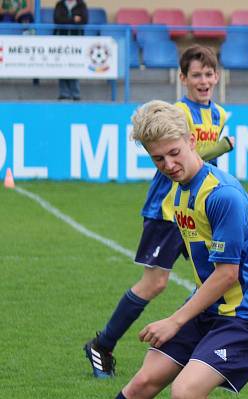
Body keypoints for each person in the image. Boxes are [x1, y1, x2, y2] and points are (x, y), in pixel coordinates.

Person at [47, 100, 248, 399]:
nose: (169, 163)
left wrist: (175, 320)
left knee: (185, 394)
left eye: (175, 152)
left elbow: (227, 274)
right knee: (142, 383)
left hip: (246, 314)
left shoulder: (224, 196)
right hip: (209, 308)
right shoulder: (174, 197)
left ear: (192, 141)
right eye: (158, 159)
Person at [84, 45, 235, 378]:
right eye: (196, 75)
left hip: (201, 209)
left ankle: (205, 349)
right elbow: (177, 158)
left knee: (216, 277)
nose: (204, 81)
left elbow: (206, 164)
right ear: (182, 78)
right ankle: (102, 344)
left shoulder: (220, 115)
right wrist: (220, 147)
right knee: (155, 284)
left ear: (218, 76)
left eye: (209, 74)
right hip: (168, 211)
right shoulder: (174, 113)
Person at [54, 0, 87, 100]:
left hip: (76, 40)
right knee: (62, 65)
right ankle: (64, 93)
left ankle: (75, 93)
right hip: (62, 38)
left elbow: (84, 20)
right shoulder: (59, 4)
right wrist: (73, 19)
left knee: (74, 65)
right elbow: (57, 19)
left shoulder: (81, 4)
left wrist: (67, 19)